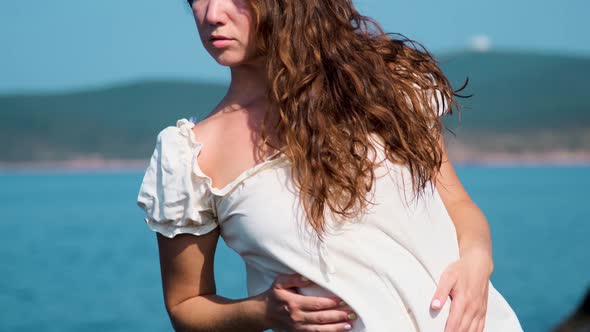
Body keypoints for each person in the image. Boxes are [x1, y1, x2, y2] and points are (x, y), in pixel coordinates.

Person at [136, 0, 524, 331]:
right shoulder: (192, 155)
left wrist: (477, 258)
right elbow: (186, 304)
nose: (211, 15)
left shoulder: (390, 85)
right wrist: (264, 311)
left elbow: (457, 206)